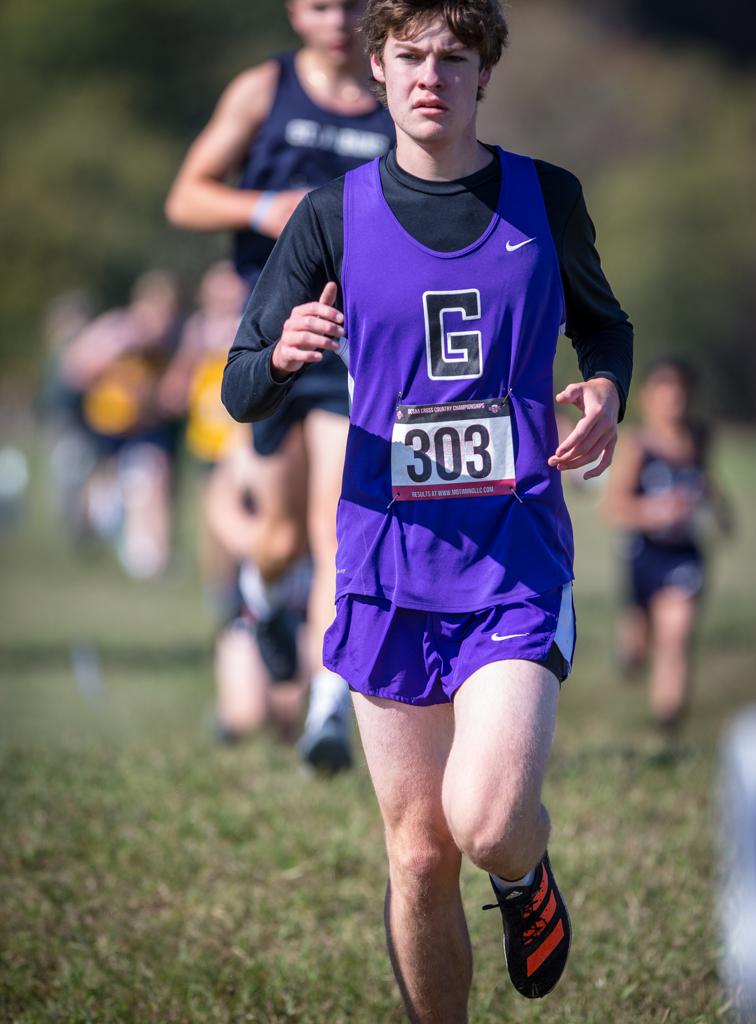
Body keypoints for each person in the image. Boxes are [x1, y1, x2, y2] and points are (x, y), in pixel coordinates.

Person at [222, 0, 632, 1015]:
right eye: (409, 57)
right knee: (416, 855)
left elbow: (605, 324)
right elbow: (240, 387)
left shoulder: (547, 197)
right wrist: (281, 355)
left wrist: (609, 389)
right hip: (384, 569)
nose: (430, 78)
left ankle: (523, 870)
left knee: (485, 822)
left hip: (515, 559)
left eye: (454, 59)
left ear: (485, 73)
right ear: (377, 68)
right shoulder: (330, 213)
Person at [165, 0, 395, 771]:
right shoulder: (263, 91)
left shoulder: (396, 95)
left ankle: (329, 708)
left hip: (352, 344)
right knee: (278, 539)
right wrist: (266, 207)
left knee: (340, 529)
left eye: (356, 4)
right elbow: (186, 195)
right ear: (297, 11)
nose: (340, 19)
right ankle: (264, 601)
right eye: (323, 5)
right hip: (265, 341)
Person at [604, 357, 732, 733]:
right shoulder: (639, 445)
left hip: (684, 555)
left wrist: (721, 514)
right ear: (648, 397)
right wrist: (654, 512)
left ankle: (667, 723)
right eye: (665, 390)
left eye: (680, 390)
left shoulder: (700, 438)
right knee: (637, 647)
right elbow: (615, 507)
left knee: (675, 636)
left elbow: (708, 482)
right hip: (643, 554)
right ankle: (631, 651)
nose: (673, 398)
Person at [61, 270, 183, 579]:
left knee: (154, 477)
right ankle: (96, 526)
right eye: (155, 312)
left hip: (142, 430)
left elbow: (171, 395)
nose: (159, 323)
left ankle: (152, 558)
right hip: (103, 428)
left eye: (166, 314)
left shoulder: (167, 346)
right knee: (104, 501)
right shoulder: (116, 329)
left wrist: (153, 395)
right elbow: (74, 368)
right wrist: (109, 355)